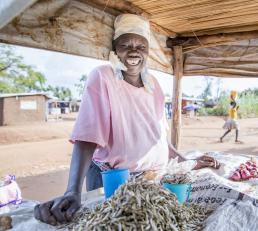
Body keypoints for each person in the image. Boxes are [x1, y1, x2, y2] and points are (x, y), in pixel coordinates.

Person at [34, 14, 220, 226]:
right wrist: (72, 190)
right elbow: (87, 136)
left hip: (153, 179)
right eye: (125, 45)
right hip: (115, 179)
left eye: (141, 46)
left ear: (147, 52)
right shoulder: (103, 76)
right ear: (115, 51)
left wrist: (187, 163)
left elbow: (159, 139)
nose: (134, 50)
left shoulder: (154, 85)